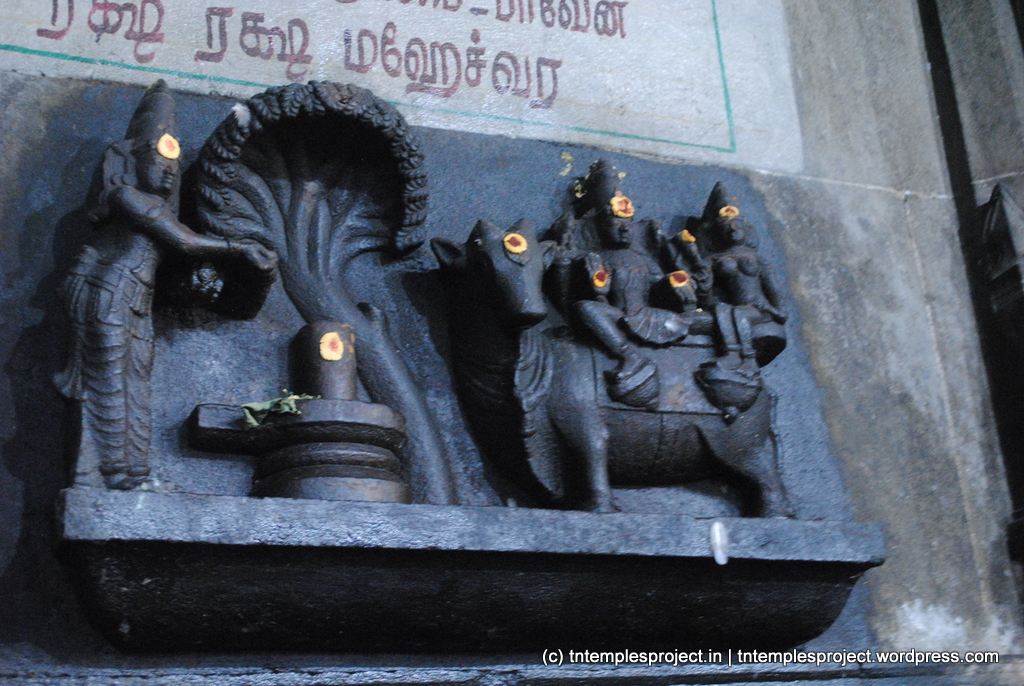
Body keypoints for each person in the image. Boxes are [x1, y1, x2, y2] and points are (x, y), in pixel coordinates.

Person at [54, 81, 277, 489]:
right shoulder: (126, 196)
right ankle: (101, 473)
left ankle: (133, 473)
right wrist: (239, 248)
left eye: (175, 164)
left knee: (136, 381)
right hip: (108, 289)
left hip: (136, 296)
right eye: (160, 159)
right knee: (107, 380)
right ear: (131, 161)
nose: (170, 170)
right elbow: (183, 241)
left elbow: (181, 254)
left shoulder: (155, 206)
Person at [546, 160, 705, 409]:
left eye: (627, 223)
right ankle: (629, 355)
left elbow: (656, 287)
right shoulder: (593, 256)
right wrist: (597, 290)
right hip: (618, 317)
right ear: (600, 225)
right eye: (615, 223)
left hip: (650, 315)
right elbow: (569, 298)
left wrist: (675, 286)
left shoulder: (642, 257)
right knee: (586, 308)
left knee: (705, 319)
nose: (623, 229)